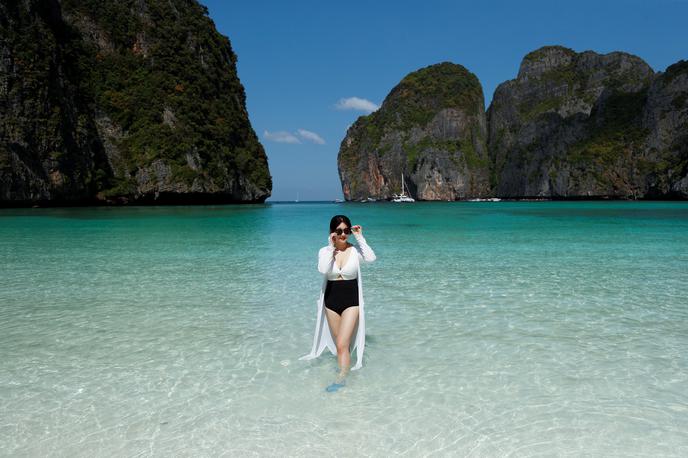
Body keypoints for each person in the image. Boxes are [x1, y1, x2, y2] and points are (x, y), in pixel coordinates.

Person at [299, 215, 376, 392]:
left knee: (342, 343)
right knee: (340, 345)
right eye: (339, 231)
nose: (343, 235)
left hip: (351, 301)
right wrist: (331, 247)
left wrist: (359, 237)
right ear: (332, 232)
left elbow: (371, 258)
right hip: (331, 301)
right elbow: (323, 269)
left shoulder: (356, 251)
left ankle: (341, 379)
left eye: (346, 231)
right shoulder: (324, 252)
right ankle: (343, 367)